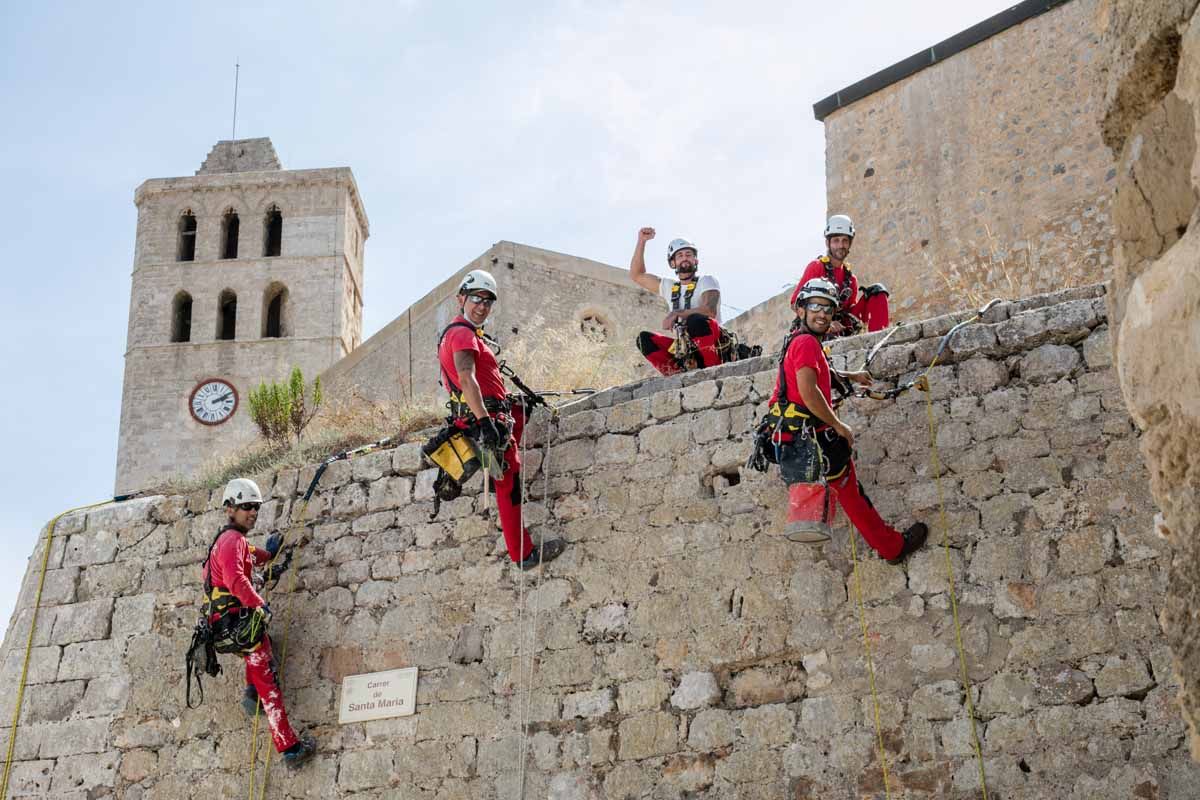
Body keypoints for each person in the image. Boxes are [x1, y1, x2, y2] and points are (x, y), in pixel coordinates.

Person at [765, 278, 926, 562]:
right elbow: (808, 389)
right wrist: (839, 426)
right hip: (817, 436)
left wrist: (851, 377)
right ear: (801, 310)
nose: (822, 313)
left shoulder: (800, 341)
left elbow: (820, 371)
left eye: (828, 309)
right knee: (852, 495)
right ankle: (892, 547)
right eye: (815, 306)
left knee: (849, 492)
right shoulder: (805, 343)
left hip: (798, 437)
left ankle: (889, 545)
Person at [437, 269, 567, 570]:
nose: (481, 306)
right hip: (486, 420)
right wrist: (485, 422)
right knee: (510, 485)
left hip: (490, 414)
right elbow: (467, 379)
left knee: (521, 409)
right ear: (461, 299)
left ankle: (499, 473)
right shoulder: (462, 334)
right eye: (476, 299)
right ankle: (523, 554)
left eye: (487, 301)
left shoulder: (459, 334)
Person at [201, 478, 315, 768]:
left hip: (229, 626)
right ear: (230, 509)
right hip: (239, 624)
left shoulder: (233, 541)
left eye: (255, 507)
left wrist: (274, 552)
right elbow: (236, 580)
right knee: (269, 682)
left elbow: (257, 558)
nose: (252, 512)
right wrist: (260, 605)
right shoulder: (231, 542)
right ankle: (290, 748)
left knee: (263, 657)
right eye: (246, 507)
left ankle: (252, 695)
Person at [630, 227, 760, 375]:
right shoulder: (669, 287)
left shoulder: (707, 281)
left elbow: (710, 311)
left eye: (688, 254)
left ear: (695, 260)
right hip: (688, 351)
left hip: (714, 346)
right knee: (644, 339)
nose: (685, 258)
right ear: (673, 263)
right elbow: (637, 275)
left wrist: (678, 313)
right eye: (679, 255)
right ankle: (677, 375)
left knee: (695, 320)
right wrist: (642, 241)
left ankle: (713, 370)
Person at [789, 215, 890, 336]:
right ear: (828, 243)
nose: (841, 245)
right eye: (836, 240)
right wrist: (826, 323)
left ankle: (879, 338)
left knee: (877, 291)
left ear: (850, 244)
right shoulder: (817, 267)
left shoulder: (851, 279)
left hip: (842, 326)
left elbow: (851, 312)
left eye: (845, 241)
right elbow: (795, 303)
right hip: (818, 326)